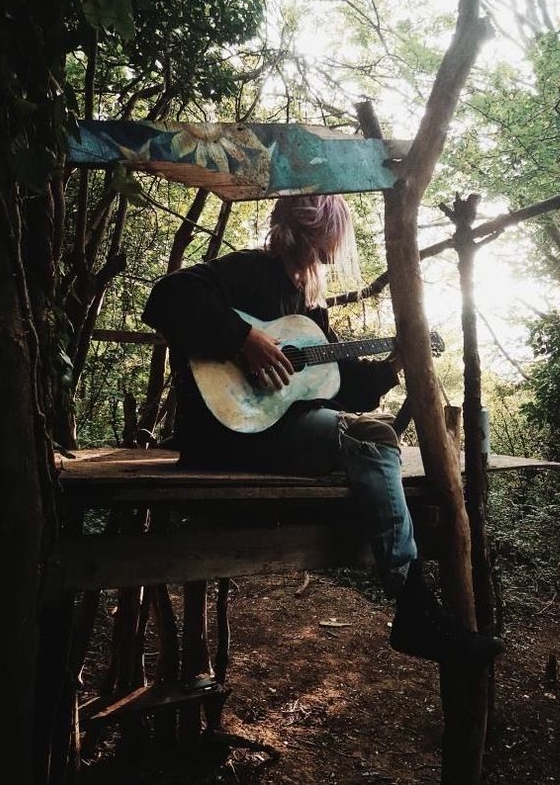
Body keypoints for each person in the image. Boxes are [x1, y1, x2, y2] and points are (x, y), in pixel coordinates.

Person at [143, 194, 503, 668]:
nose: (340, 243)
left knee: (365, 434)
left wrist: (397, 361)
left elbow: (340, 383)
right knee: (372, 437)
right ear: (317, 228)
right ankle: (413, 606)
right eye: (337, 230)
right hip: (224, 437)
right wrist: (243, 337)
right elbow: (166, 296)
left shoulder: (309, 310)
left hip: (272, 435)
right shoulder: (252, 269)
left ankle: (413, 604)